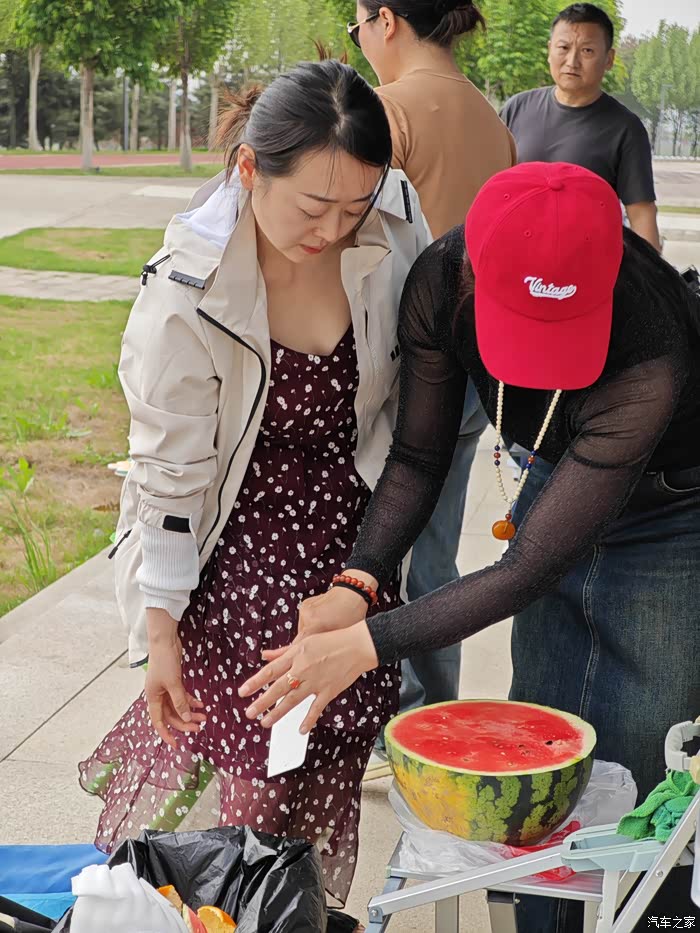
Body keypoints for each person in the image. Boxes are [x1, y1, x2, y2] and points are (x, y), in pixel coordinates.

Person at [241, 161, 700, 929]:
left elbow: (528, 568)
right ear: (475, 272)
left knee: (643, 734)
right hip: (562, 463)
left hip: (674, 501)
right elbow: (419, 457)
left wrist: (366, 643)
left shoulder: (653, 344)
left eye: (562, 330)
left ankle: (645, 918)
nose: (539, 357)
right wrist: (358, 580)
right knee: (539, 734)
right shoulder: (439, 280)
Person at [79, 59, 431, 906]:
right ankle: (216, 911)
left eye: (354, 207)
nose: (334, 229)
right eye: (313, 206)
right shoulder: (186, 284)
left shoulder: (392, 220)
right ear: (249, 168)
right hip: (240, 543)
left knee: (320, 757)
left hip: (351, 539)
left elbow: (408, 413)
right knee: (256, 779)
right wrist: (160, 631)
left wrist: (372, 567)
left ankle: (284, 912)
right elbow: (170, 475)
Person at [347, 0, 516, 726]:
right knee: (436, 548)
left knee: (378, 546)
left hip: (403, 370)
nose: (359, 41)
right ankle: (430, 716)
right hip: (478, 366)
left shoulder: (386, 110)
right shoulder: (490, 118)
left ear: (385, 20)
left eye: (356, 26)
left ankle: (397, 717)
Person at [500, 3, 662, 252]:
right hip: (516, 256)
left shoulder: (626, 129)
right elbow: (492, 190)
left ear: (609, 59)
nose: (572, 61)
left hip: (586, 263)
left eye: (587, 50)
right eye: (563, 48)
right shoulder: (517, 108)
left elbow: (641, 214)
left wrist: (653, 273)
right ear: (549, 50)